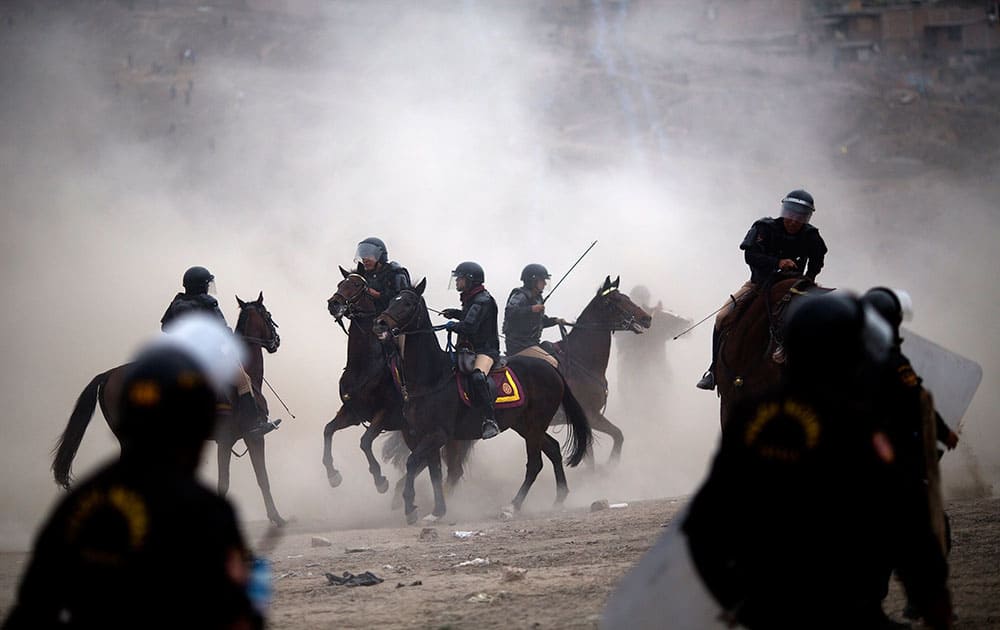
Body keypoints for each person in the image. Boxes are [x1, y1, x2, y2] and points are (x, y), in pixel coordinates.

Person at [677, 293, 951, 629]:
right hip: (848, 607)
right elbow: (906, 519)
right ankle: (713, 368)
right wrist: (931, 596)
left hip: (774, 607)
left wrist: (739, 602)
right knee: (723, 320)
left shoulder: (753, 416)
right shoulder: (860, 420)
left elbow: (706, 524)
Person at [3, 316, 264, 630]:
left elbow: (30, 612)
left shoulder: (76, 507)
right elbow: (240, 615)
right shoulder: (210, 512)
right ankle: (252, 421)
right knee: (241, 381)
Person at [697, 189, 828, 390]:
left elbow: (817, 261)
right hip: (758, 284)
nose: (794, 220)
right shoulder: (764, 228)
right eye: (791, 213)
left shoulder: (812, 236)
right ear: (784, 211)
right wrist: (777, 262)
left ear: (807, 217)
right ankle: (714, 370)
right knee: (722, 317)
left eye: (800, 216)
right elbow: (750, 255)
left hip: (795, 288)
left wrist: (807, 280)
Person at [161, 266, 278, 438]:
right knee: (243, 379)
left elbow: (165, 327)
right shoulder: (208, 303)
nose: (209, 287)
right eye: (208, 283)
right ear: (202, 285)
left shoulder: (177, 303)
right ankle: (253, 424)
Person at [440, 261, 501, 440]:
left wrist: (453, 325)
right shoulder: (472, 298)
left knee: (476, 376)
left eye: (460, 279)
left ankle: (489, 420)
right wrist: (456, 313)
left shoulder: (482, 300)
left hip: (486, 351)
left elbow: (470, 327)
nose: (457, 282)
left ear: (470, 280)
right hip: (469, 350)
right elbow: (470, 316)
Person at [615, 285, 692, 400]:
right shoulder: (624, 320)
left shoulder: (659, 316)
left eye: (643, 298)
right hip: (632, 376)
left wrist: (671, 318)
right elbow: (621, 342)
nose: (641, 303)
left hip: (657, 375)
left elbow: (686, 328)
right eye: (638, 299)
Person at [501, 263, 565, 368]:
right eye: (542, 280)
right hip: (519, 345)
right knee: (552, 363)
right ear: (532, 281)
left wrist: (556, 321)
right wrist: (531, 309)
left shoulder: (537, 298)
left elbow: (540, 322)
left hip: (532, 344)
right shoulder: (520, 295)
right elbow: (510, 312)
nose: (544, 283)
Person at [353, 237, 411, 314]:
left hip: (394, 318)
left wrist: (378, 295)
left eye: (368, 256)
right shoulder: (364, 276)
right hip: (372, 317)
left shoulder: (396, 272)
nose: (365, 260)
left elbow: (403, 298)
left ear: (380, 256)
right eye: (363, 257)